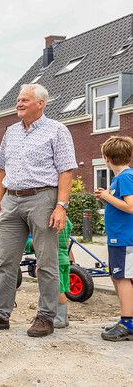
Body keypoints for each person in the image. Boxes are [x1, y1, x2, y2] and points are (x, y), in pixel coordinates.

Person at [0, 83, 77, 337]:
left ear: (41, 103)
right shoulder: (10, 132)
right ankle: (0, 314)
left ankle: (46, 316)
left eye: (24, 100)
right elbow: (1, 170)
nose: (18, 104)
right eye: (18, 100)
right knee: (5, 261)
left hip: (42, 198)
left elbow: (66, 170)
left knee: (46, 262)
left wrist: (61, 206)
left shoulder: (57, 130)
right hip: (11, 200)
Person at [94, 135, 133, 341]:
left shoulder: (126, 177)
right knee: (117, 276)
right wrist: (107, 197)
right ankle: (127, 319)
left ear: (106, 158)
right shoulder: (120, 179)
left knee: (122, 278)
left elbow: (131, 206)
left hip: (125, 239)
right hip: (118, 238)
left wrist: (107, 197)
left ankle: (128, 323)